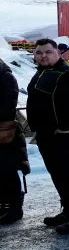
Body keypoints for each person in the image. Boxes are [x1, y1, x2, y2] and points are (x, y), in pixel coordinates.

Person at [26, 39, 69, 234]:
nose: (43, 56)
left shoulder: (68, 74)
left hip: (64, 136)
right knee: (58, 175)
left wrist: (66, 127)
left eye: (48, 52)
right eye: (39, 53)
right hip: (46, 135)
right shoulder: (42, 72)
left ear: (58, 53)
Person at [0, 57, 29, 225]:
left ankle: (14, 208)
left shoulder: (6, 77)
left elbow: (7, 108)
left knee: (7, 171)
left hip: (5, 134)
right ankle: (3, 205)